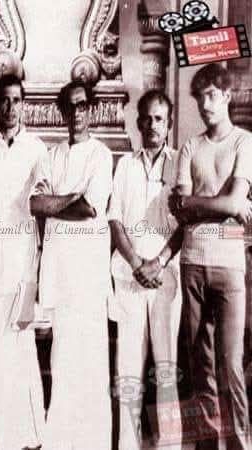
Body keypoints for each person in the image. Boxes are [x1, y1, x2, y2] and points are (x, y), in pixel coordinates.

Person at [142, 63, 252, 450]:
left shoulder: (244, 142)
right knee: (200, 366)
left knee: (230, 366)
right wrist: (219, 206)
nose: (205, 105)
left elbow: (234, 202)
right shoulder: (190, 146)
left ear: (227, 97)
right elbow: (182, 209)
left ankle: (240, 445)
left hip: (229, 266)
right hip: (191, 263)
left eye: (212, 96)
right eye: (200, 97)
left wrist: (198, 204)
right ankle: (207, 446)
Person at [30, 80, 113, 450]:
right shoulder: (52, 155)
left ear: (90, 110)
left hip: (88, 276)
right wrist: (69, 198)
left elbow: (89, 208)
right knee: (62, 362)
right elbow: (35, 203)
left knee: (91, 363)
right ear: (63, 112)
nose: (77, 113)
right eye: (71, 107)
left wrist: (56, 203)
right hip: (60, 273)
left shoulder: (101, 156)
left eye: (83, 106)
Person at [109, 90, 182, 450]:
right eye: (147, 118)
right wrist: (137, 263)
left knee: (166, 369)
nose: (153, 125)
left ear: (169, 124)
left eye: (159, 119)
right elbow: (115, 221)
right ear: (138, 122)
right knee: (128, 372)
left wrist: (159, 261)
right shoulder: (125, 165)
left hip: (166, 278)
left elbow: (186, 222)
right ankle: (128, 444)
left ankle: (170, 445)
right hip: (129, 278)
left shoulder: (180, 163)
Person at [0, 74, 45, 450]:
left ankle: (28, 435)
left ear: (24, 104)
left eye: (16, 100)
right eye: (4, 100)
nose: (10, 107)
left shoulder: (36, 149)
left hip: (23, 258)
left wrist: (36, 273)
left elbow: (42, 208)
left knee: (21, 344)